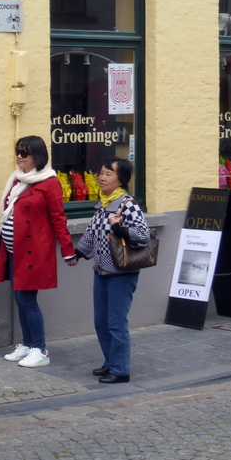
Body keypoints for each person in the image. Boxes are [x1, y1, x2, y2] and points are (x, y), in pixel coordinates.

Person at [0, 136, 76, 368]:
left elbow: (58, 218)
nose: (19, 157)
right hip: (11, 251)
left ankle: (40, 349)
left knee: (27, 300)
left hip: (33, 252)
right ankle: (27, 344)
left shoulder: (49, 183)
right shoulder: (17, 180)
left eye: (24, 153)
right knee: (20, 299)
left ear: (37, 157)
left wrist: (68, 250)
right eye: (17, 152)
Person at [72, 158, 149, 384]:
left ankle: (120, 370)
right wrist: (78, 254)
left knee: (116, 323)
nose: (102, 177)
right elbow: (91, 233)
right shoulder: (103, 205)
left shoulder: (128, 205)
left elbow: (143, 235)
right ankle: (110, 362)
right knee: (101, 322)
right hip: (102, 271)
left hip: (121, 273)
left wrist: (120, 228)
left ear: (121, 180)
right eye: (101, 173)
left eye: (108, 173)